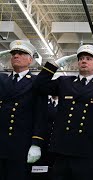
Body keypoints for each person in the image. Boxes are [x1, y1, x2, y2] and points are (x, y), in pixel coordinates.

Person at [33, 44, 93, 180]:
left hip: (87, 150)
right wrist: (54, 65)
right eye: (81, 58)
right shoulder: (64, 82)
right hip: (62, 149)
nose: (84, 61)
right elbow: (39, 86)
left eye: (88, 59)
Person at [0, 40, 47, 180]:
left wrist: (36, 143)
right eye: (13, 53)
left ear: (30, 60)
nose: (16, 56)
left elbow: (41, 115)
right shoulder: (3, 80)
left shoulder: (36, 82)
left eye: (21, 53)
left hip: (22, 144)